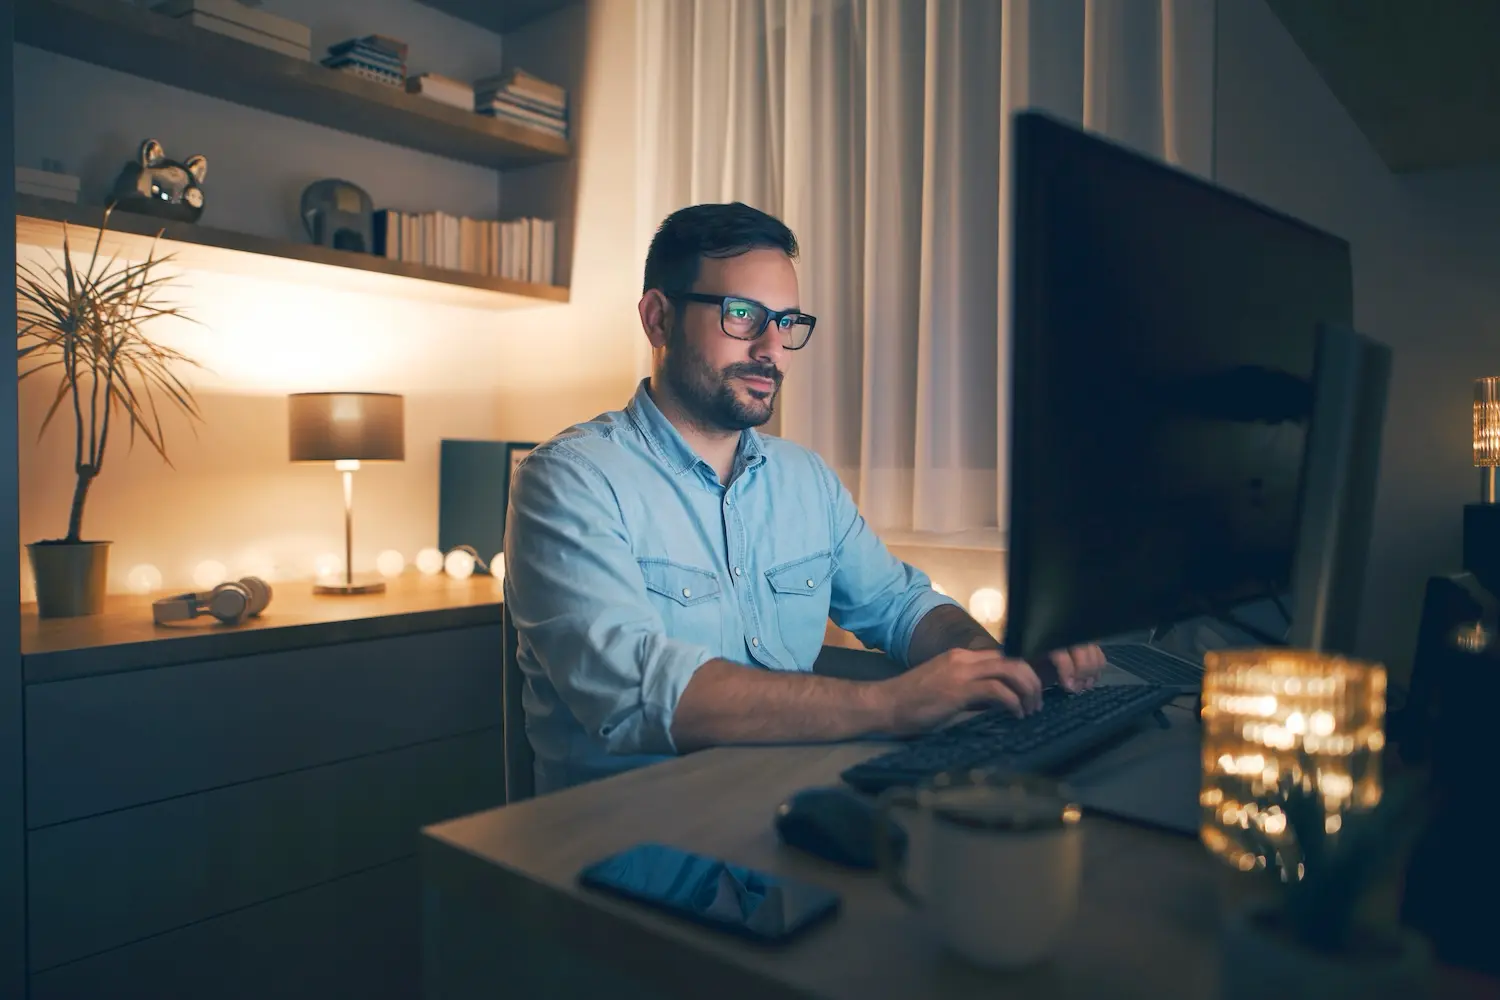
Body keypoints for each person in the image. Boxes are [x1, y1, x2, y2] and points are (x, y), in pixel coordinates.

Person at [504, 201, 1106, 793]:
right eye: (742, 314)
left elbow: (901, 606)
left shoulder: (805, 479)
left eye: (787, 322)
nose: (772, 347)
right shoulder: (569, 480)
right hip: (622, 852)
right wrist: (892, 705)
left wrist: (997, 665)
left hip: (784, 823)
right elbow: (638, 692)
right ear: (658, 318)